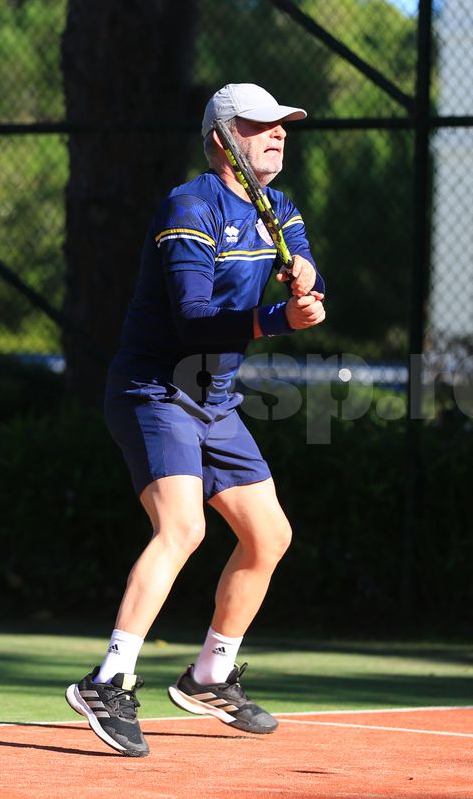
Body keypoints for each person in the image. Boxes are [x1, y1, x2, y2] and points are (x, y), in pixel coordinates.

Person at [65, 83, 326, 758]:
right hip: (154, 388)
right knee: (183, 528)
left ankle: (209, 674)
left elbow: (297, 251)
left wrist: (303, 276)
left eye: (282, 125)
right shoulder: (189, 207)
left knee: (269, 536)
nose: (277, 134)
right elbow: (191, 317)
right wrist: (277, 318)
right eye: (258, 125)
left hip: (216, 398)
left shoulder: (279, 208)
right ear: (221, 139)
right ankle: (109, 680)